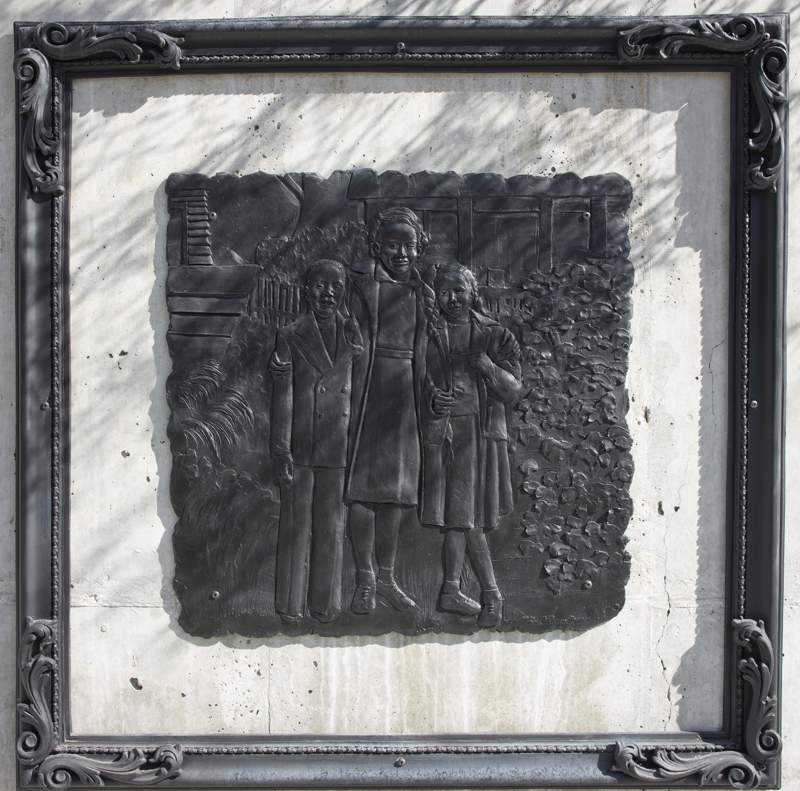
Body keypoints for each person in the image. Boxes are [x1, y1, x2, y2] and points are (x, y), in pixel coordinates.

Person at [421, 262, 521, 628]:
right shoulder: (429, 333)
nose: (452, 299)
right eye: (444, 293)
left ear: (472, 292)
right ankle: (477, 592)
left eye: (458, 291)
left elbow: (514, 389)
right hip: (445, 434)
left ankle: (471, 591)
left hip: (480, 436)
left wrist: (489, 367)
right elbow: (416, 377)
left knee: (466, 518)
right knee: (460, 517)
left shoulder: (495, 334)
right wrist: (432, 397)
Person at [345, 207, 434, 614]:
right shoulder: (360, 287)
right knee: (362, 492)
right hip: (365, 392)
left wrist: (430, 392)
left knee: (396, 494)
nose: (401, 253)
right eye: (392, 244)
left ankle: (387, 578)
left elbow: (430, 352)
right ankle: (364, 580)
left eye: (408, 245)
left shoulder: (422, 293)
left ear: (419, 248)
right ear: (377, 246)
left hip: (405, 397)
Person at [269, 259, 363, 624]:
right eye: (320, 286)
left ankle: (324, 604)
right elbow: (283, 397)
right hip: (302, 445)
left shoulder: (353, 336)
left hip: (338, 447)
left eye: (335, 287)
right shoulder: (290, 334)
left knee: (331, 528)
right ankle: (290, 605)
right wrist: (281, 450)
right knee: (296, 527)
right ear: (307, 291)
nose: (328, 294)